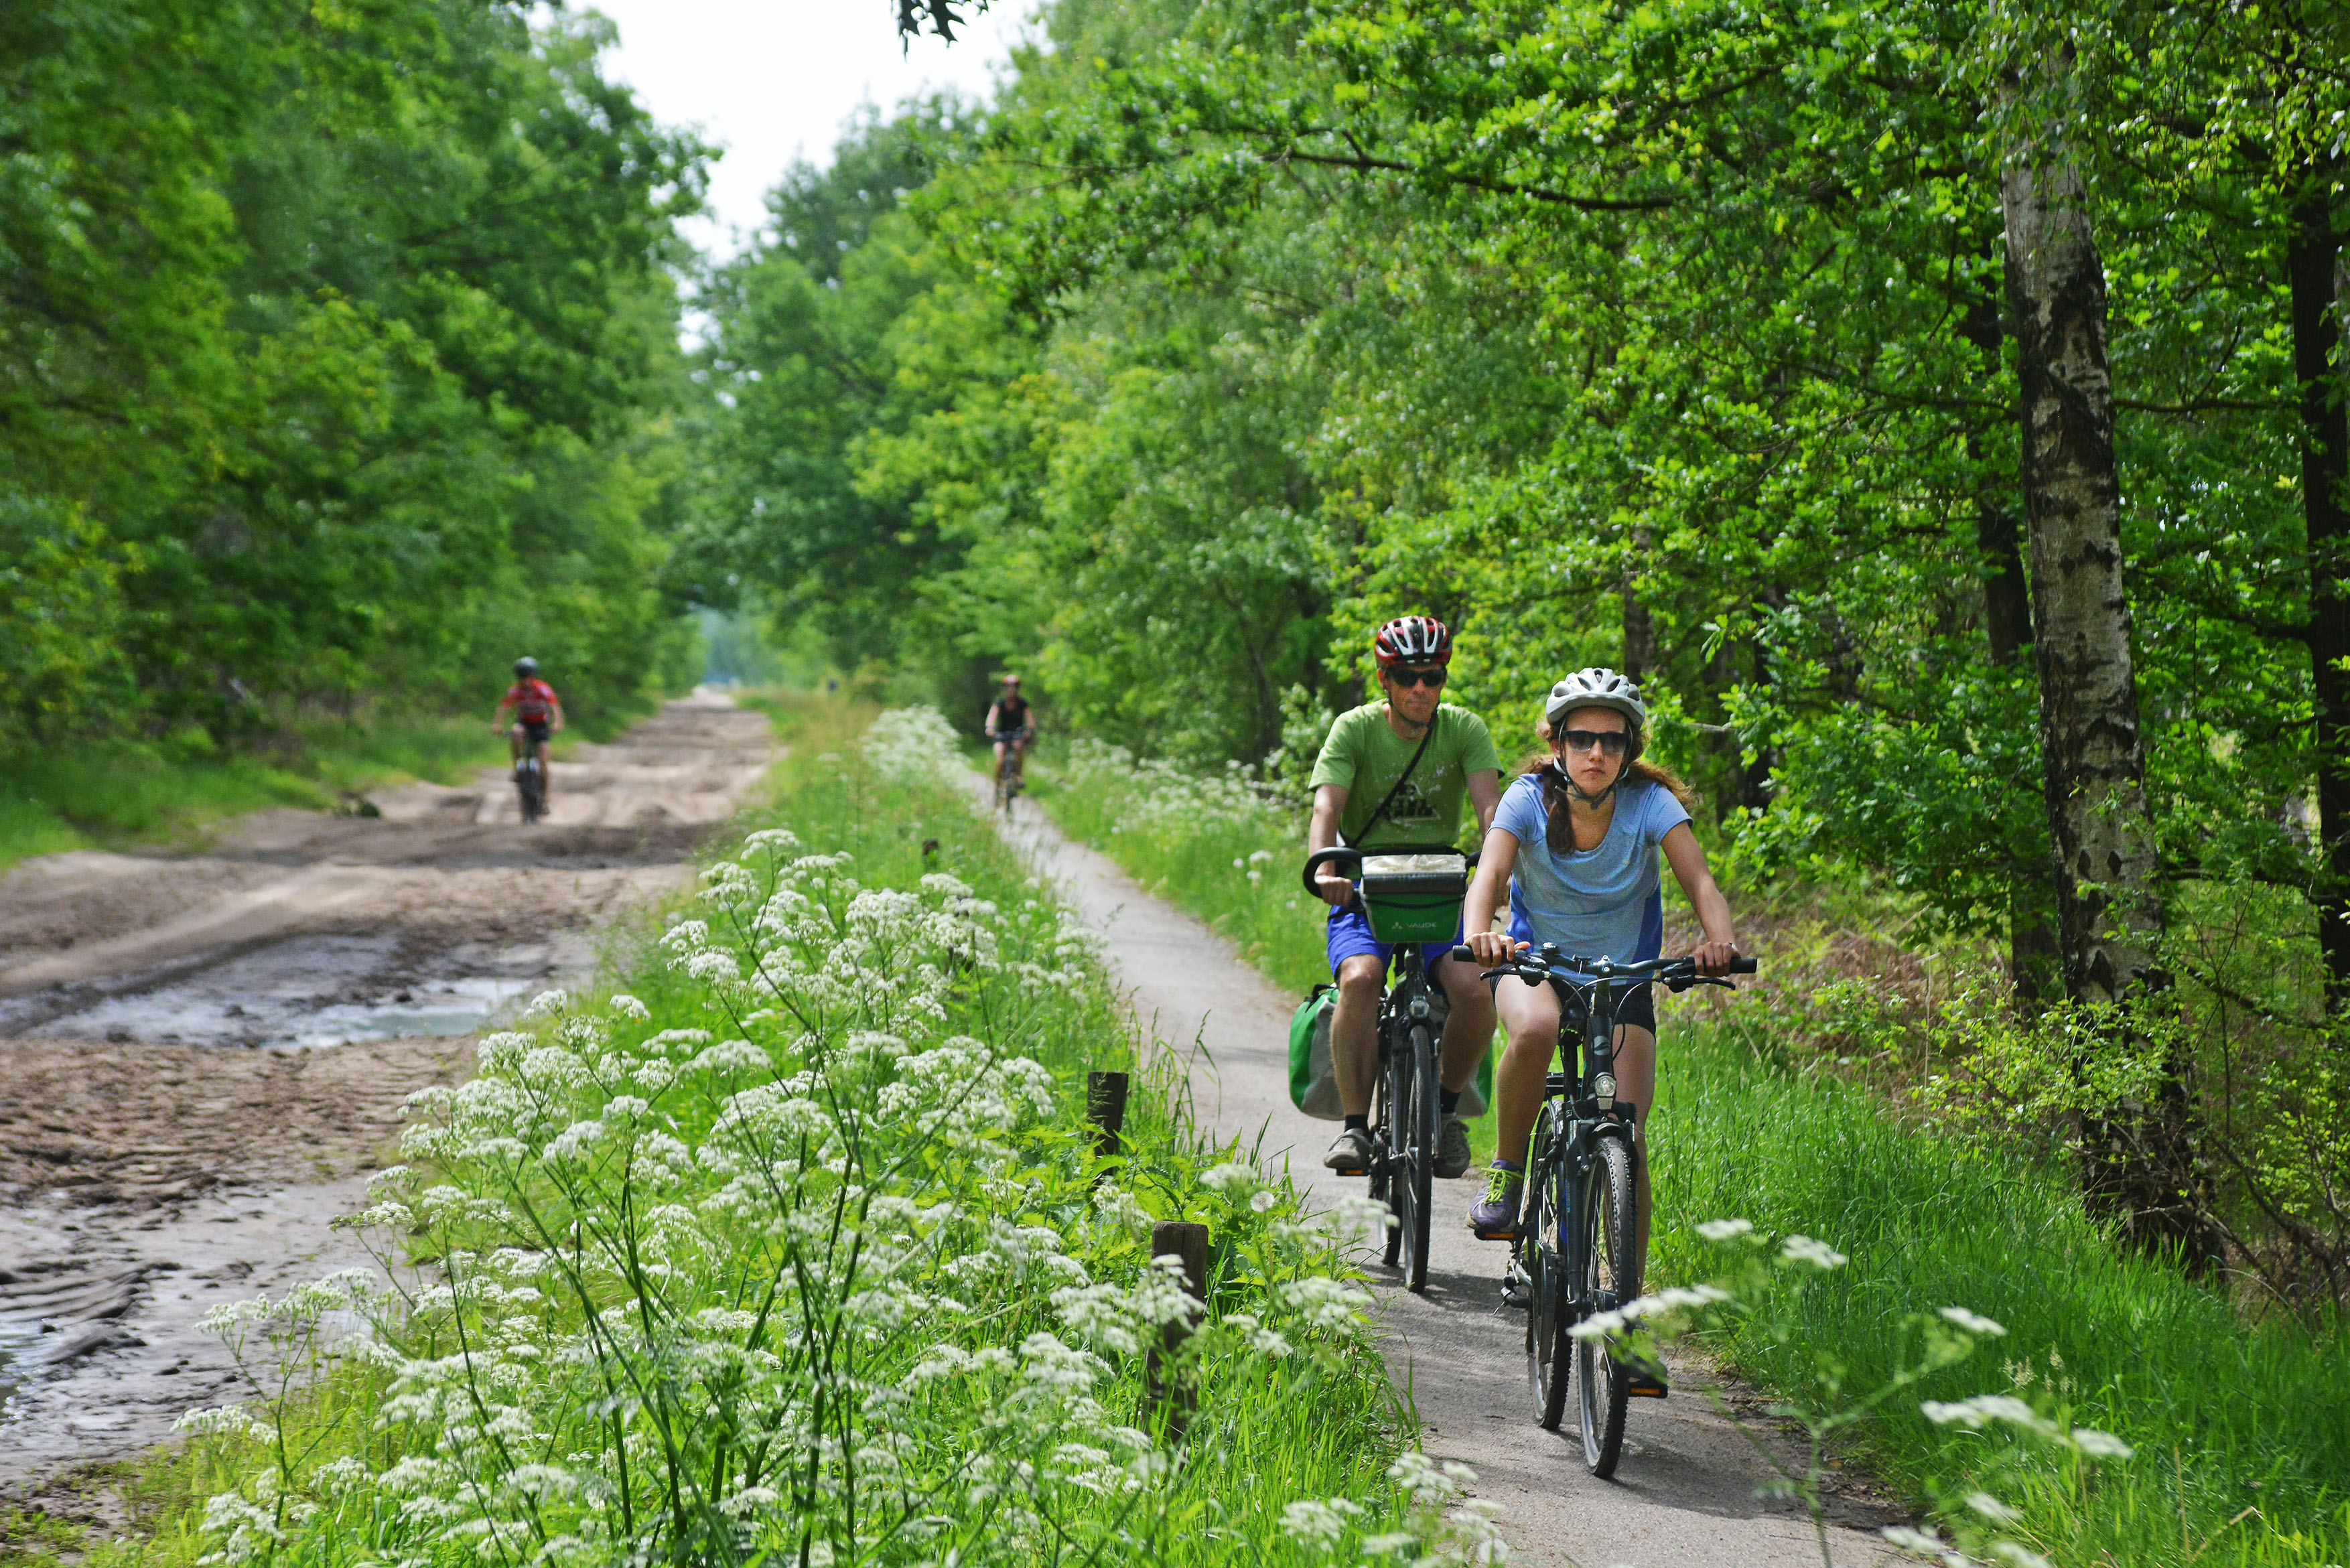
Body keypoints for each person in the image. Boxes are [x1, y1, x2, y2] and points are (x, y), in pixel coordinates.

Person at [1460, 668, 1739, 1388]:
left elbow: (1700, 881)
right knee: (1534, 1030)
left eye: (1611, 741)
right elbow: (1488, 874)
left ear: (1628, 749)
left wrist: (1715, 940)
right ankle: (1508, 1169)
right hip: (1537, 964)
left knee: (1629, 1138)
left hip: (1623, 978)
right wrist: (1480, 932)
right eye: (1581, 738)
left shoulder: (1651, 804)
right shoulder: (1526, 799)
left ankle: (1628, 1321)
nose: (1596, 753)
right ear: (1555, 743)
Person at [1308, 616, 1504, 1181]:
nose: (1422, 687)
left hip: (1440, 886)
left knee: (1474, 988)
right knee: (1362, 979)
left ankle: (1444, 1113)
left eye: (1434, 675)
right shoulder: (1354, 729)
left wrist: (1499, 867)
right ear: (1384, 679)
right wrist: (1325, 868)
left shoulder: (1464, 729)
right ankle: (1354, 1125)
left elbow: (1492, 811)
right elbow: (1327, 807)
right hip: (1366, 886)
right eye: (1408, 676)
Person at [495, 658, 565, 806]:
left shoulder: (542, 689)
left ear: (533, 676)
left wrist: (558, 723)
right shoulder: (515, 691)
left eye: (528, 677)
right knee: (516, 732)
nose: (525, 681)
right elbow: (503, 708)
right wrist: (497, 725)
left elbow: (554, 706)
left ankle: (545, 797)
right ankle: (518, 768)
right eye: (522, 677)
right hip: (524, 723)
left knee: (544, 761)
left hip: (540, 725)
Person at [985, 675, 1034, 788]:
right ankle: (997, 786)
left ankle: (1018, 776)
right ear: (1004, 689)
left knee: (1018, 747)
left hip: (1017, 733)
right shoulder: (1000, 703)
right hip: (1002, 734)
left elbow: (1029, 717)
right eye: (1008, 687)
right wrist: (990, 727)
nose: (1011, 690)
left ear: (1017, 688)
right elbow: (992, 715)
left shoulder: (1022, 703)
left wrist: (1030, 729)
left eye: (1014, 687)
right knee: (1000, 759)